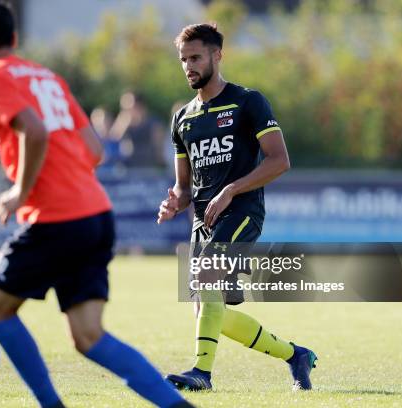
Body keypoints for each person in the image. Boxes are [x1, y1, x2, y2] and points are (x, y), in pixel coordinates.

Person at [0, 2, 192, 407]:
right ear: (15, 40)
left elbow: (33, 132)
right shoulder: (47, 77)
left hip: (57, 219)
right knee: (89, 336)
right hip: (96, 215)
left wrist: (20, 190)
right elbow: (93, 149)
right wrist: (65, 174)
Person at [157, 23, 317, 391]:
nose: (188, 66)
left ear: (217, 55)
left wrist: (231, 190)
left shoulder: (248, 102)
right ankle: (296, 356)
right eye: (183, 59)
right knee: (211, 312)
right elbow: (184, 186)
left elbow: (279, 161)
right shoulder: (182, 119)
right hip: (203, 220)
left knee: (207, 281)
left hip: (243, 212)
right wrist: (174, 202)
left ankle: (201, 374)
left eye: (195, 57)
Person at [110, 91, 166, 169]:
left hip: (149, 168)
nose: (126, 110)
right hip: (128, 168)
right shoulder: (123, 122)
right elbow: (113, 139)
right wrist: (124, 123)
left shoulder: (154, 123)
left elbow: (159, 150)